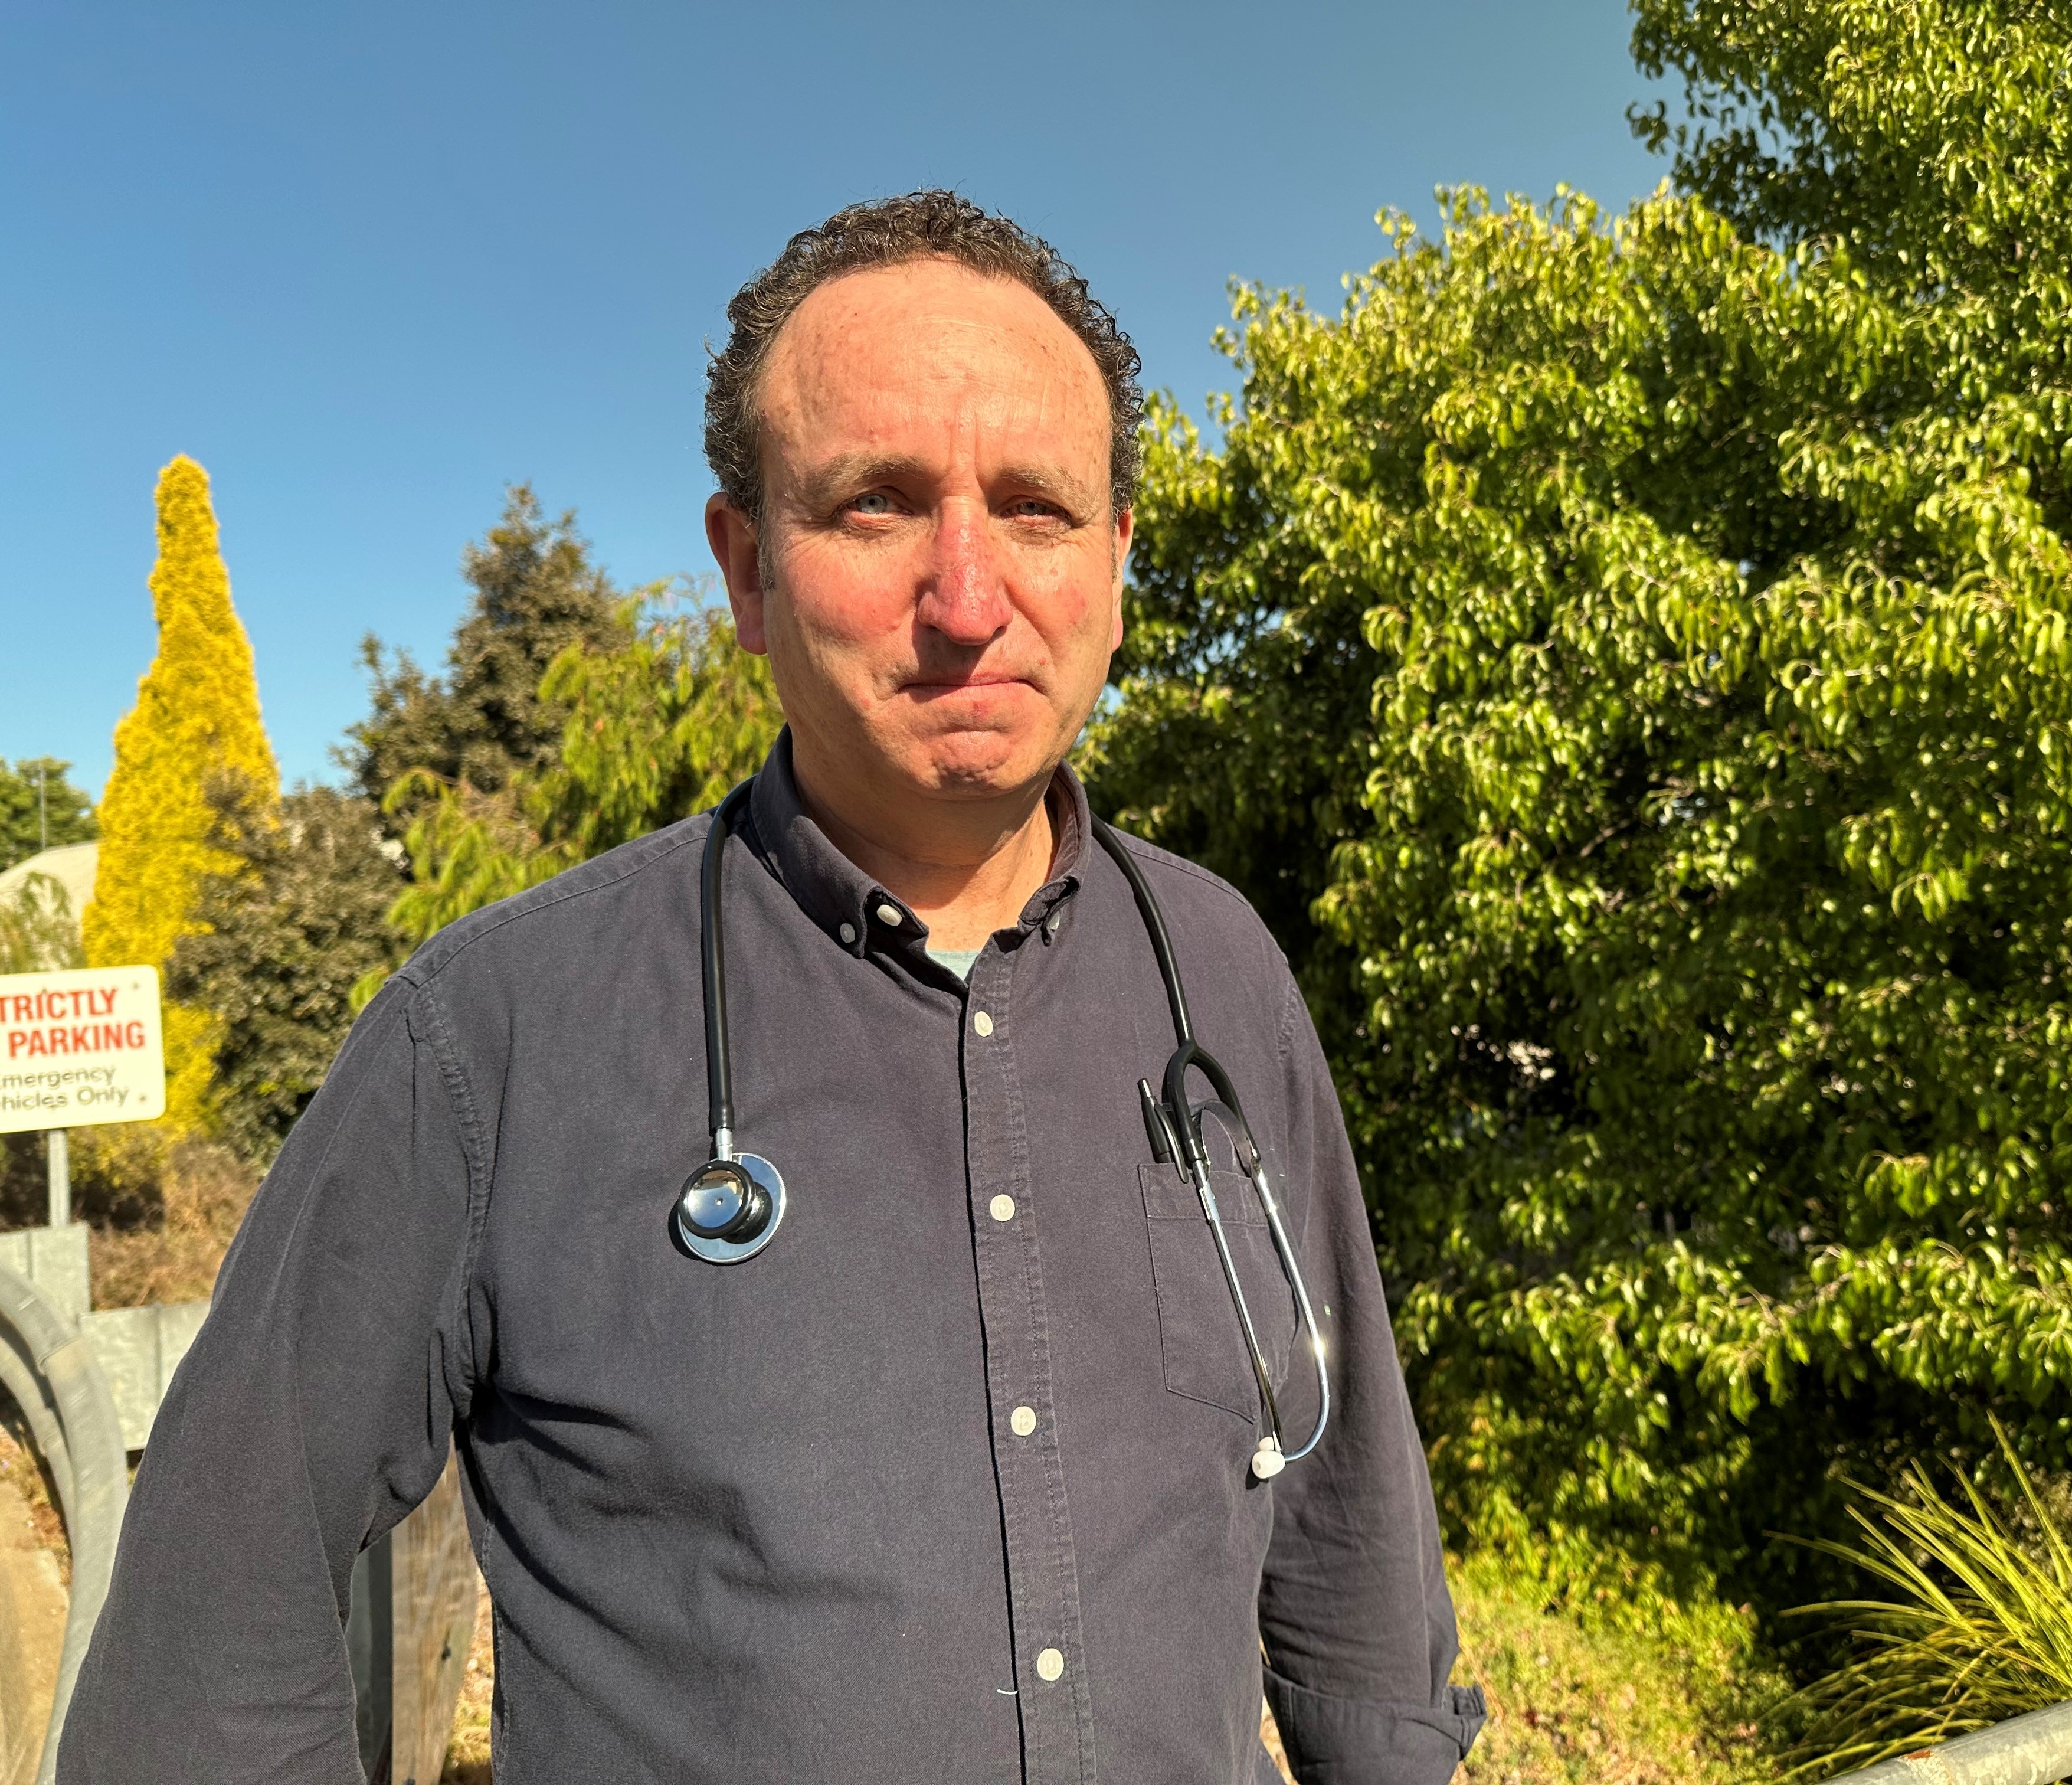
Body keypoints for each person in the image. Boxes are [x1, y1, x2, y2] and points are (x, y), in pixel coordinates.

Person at [60, 191, 1485, 1784]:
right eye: (877, 506)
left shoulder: (1217, 971)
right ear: (745, 568)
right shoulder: (492, 1042)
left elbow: (1350, 1531)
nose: (967, 597)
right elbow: (200, 1652)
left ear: (1117, 567)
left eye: (1036, 509)